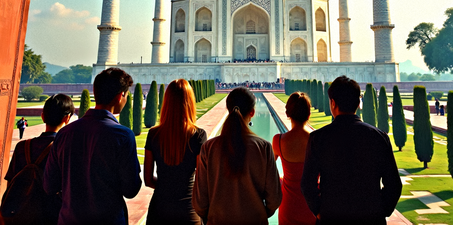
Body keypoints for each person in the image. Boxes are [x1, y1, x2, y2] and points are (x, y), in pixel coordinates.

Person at [44, 68, 141, 225]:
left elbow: (49, 185)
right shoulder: (122, 136)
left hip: (69, 219)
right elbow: (131, 189)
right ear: (120, 96)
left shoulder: (65, 133)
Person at [301, 76, 402, 224]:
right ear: (358, 103)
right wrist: (381, 210)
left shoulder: (319, 138)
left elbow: (307, 183)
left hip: (332, 218)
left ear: (333, 103)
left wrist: (318, 210)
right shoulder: (378, 137)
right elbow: (394, 184)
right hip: (370, 218)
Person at [193, 87, 282, 224]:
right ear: (252, 112)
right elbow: (274, 199)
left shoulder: (209, 148)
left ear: (228, 109)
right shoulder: (263, 148)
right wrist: (259, 213)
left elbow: (200, 202)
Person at [4, 95, 74, 224]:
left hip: (21, 213)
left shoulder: (22, 146)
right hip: (51, 214)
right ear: (67, 118)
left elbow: (11, 182)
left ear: (42, 116)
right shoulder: (67, 148)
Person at [144, 79, 207, 225]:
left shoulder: (153, 134)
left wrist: (166, 187)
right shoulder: (198, 135)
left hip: (160, 209)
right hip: (188, 210)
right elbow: (202, 180)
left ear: (167, 101)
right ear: (190, 102)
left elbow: (148, 179)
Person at [272, 92, 315, 225]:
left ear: (287, 114)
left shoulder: (278, 140)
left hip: (288, 205)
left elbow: (268, 171)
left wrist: (282, 179)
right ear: (309, 114)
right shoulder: (317, 140)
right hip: (311, 204)